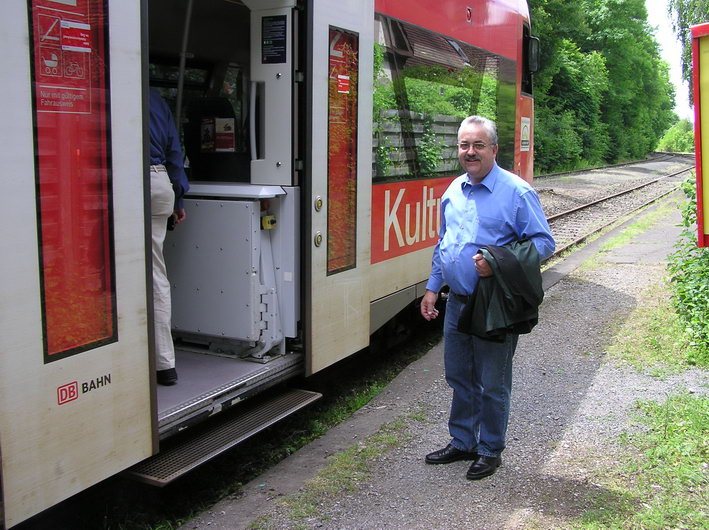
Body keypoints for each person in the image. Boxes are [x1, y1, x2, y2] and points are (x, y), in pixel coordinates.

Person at [420, 116, 555, 479]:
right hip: (458, 300)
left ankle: (490, 449)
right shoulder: (454, 190)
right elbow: (444, 243)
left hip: (495, 303)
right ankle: (462, 441)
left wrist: (496, 263)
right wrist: (434, 287)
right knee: (459, 377)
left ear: (494, 149)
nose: (470, 152)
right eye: (465, 145)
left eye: (479, 145)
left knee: (492, 383)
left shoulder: (516, 191)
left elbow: (544, 242)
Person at [149, 88, 190, 386]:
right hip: (159, 180)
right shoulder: (155, 97)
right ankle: (165, 363)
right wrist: (178, 199)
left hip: (126, 179)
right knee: (154, 272)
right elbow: (174, 151)